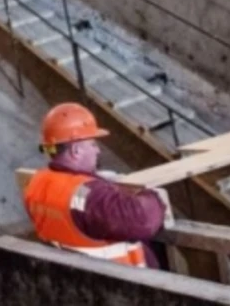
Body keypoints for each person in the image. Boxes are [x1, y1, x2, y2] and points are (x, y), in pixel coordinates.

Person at [22, 103, 170, 268]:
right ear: (76, 151)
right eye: (92, 144)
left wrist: (97, 180)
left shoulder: (36, 182)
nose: (97, 151)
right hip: (122, 282)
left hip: (74, 277)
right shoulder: (90, 196)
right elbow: (143, 219)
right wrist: (154, 196)